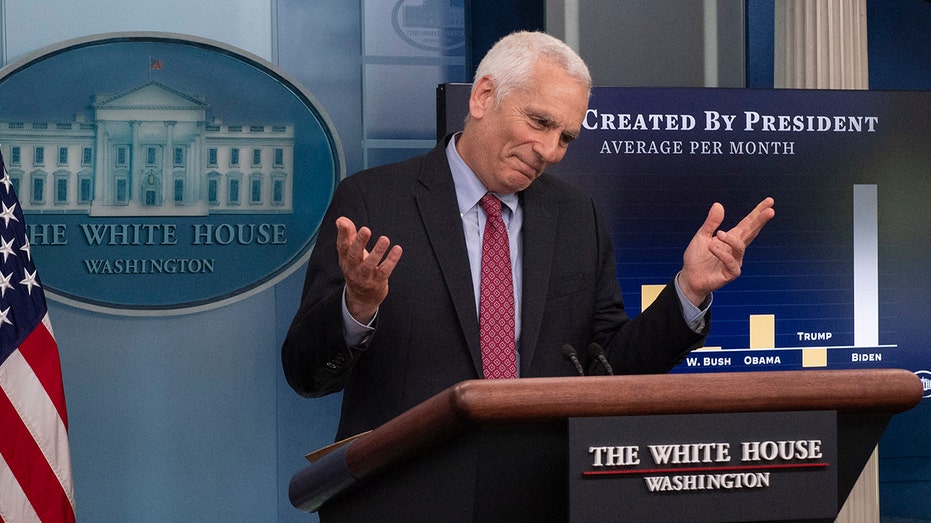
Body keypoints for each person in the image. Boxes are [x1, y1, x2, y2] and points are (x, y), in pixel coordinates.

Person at [282, 31, 775, 441]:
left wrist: (688, 292)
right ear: (482, 97)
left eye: (565, 137)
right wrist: (357, 307)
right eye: (539, 122)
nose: (550, 151)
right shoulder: (374, 202)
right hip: (410, 494)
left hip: (541, 492)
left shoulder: (577, 217)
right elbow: (305, 374)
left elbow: (610, 369)